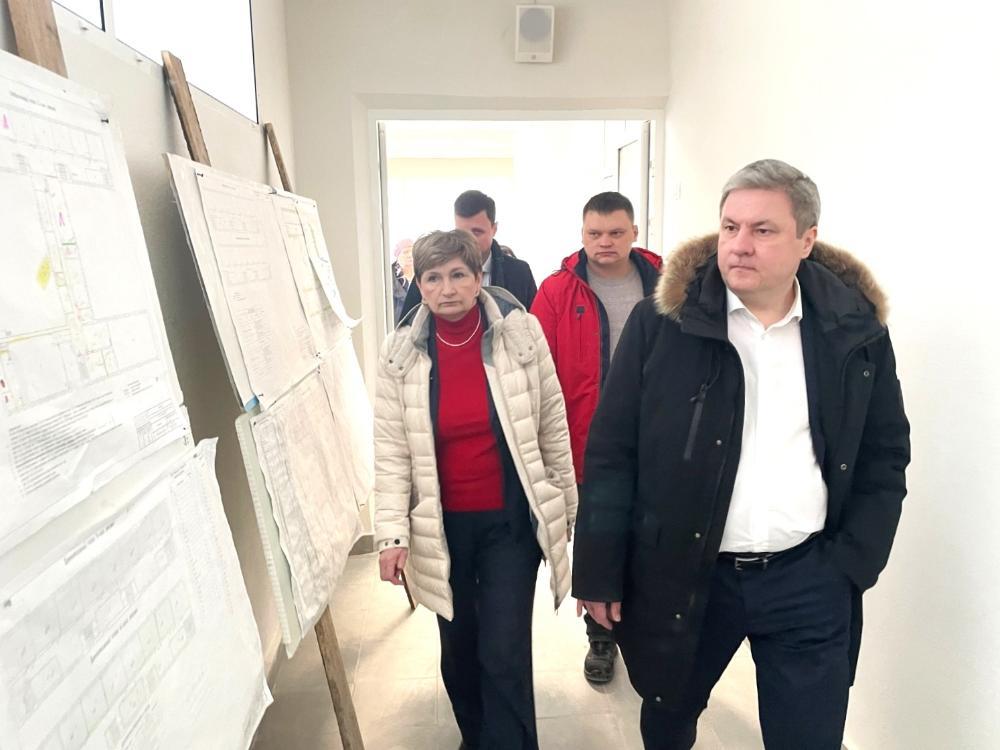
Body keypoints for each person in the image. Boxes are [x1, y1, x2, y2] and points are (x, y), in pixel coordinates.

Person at [572, 159, 910, 749]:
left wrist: (851, 565)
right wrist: (599, 569)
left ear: (806, 239)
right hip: (685, 573)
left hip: (809, 577)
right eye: (730, 227)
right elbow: (612, 451)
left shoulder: (852, 331)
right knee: (668, 720)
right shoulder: (664, 323)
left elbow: (885, 454)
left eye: (763, 229)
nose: (739, 244)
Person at [374, 230, 577, 750]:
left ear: (478, 276)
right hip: (441, 528)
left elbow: (552, 423)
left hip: (509, 522)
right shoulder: (400, 354)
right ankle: (477, 737)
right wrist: (391, 533)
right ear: (419, 285)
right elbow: (392, 452)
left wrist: (565, 508)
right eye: (433, 278)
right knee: (459, 651)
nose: (447, 289)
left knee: (504, 651)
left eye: (458, 275)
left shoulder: (520, 333)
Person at [530, 191, 662, 684]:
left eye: (615, 232)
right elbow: (534, 371)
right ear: (582, 235)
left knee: (650, 538)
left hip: (656, 437)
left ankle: (644, 629)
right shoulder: (556, 292)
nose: (605, 242)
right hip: (586, 438)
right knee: (598, 538)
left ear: (634, 233)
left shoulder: (668, 285)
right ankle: (600, 638)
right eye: (594, 233)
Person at [399, 190, 536, 319]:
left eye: (477, 232)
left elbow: (532, 327)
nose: (469, 239)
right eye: (462, 233)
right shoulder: (430, 272)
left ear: (494, 229)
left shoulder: (519, 273)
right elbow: (408, 326)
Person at [391, 238, 414, 323]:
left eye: (412, 252)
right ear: (398, 256)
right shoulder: (389, 275)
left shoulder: (422, 272)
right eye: (405, 252)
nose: (410, 255)